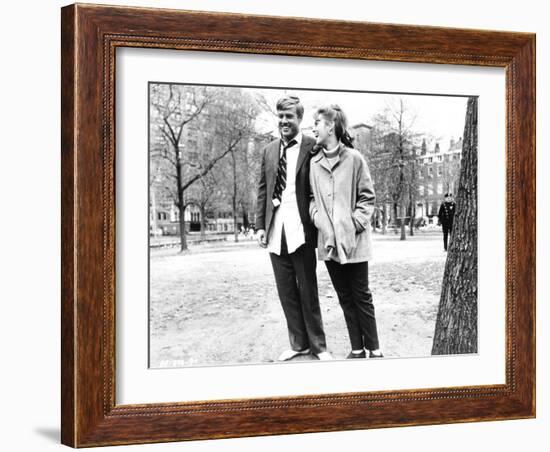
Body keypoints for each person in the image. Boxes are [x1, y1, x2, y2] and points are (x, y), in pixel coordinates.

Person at [255, 96, 330, 361]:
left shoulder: (312, 147)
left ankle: (319, 346)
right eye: (281, 117)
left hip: (302, 229)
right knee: (286, 291)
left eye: (290, 117)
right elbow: (263, 190)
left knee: (308, 290)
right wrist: (260, 226)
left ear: (299, 119)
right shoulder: (268, 150)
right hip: (276, 230)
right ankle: (298, 344)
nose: (284, 121)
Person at [309, 105, 383, 359]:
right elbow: (311, 200)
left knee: (361, 295)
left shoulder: (354, 159)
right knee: (344, 297)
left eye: (316, 122)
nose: (313, 127)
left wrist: (353, 225)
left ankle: (375, 349)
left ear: (330, 126)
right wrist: (318, 218)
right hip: (329, 243)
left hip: (355, 242)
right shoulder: (313, 163)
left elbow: (367, 198)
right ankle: (357, 349)